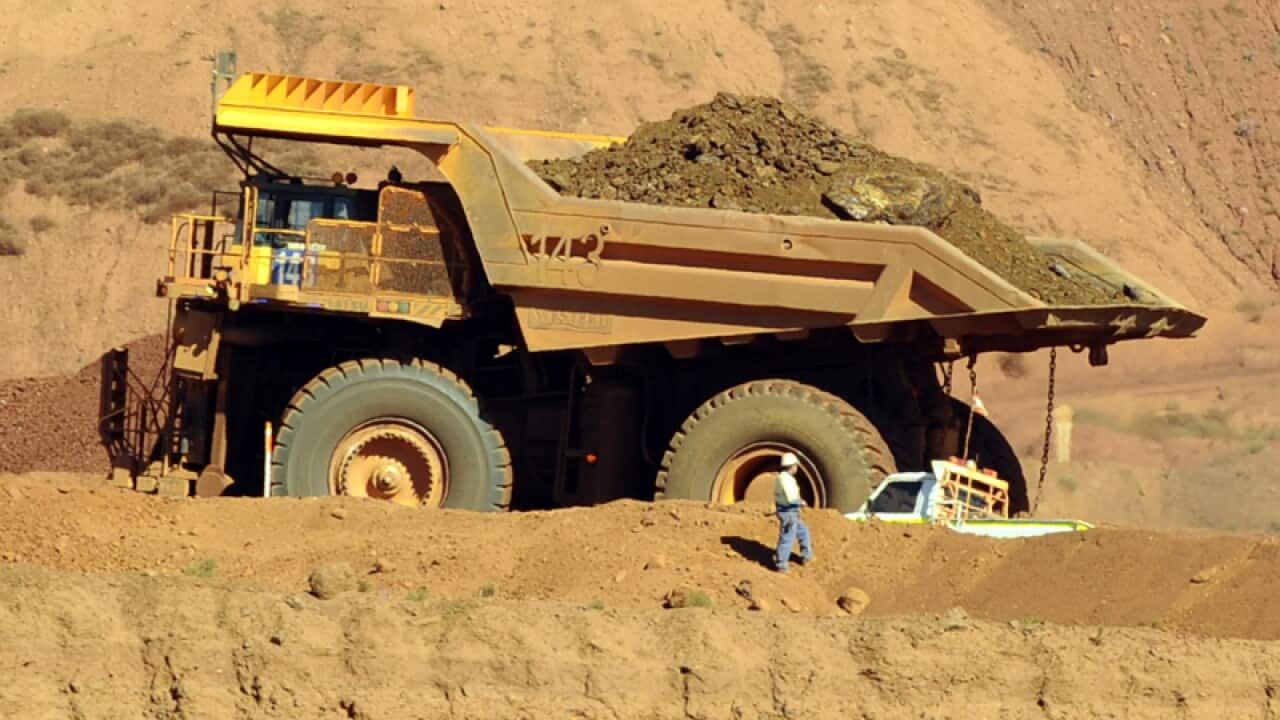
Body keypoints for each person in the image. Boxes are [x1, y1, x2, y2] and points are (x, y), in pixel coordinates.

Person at [774, 452, 814, 573]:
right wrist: (800, 502)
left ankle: (806, 556)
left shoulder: (786, 478)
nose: (797, 468)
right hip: (788, 512)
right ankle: (781, 564)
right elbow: (791, 498)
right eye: (796, 465)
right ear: (792, 466)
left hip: (791, 512)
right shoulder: (785, 479)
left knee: (803, 531)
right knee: (788, 537)